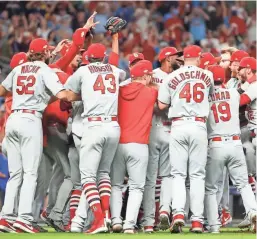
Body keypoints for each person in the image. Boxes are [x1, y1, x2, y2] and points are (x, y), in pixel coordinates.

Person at [0, 37, 72, 233]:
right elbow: (63, 95)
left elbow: (2, 90)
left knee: (16, 174)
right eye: (48, 51)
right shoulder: (44, 70)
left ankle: (6, 218)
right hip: (30, 121)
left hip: (13, 120)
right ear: (44, 53)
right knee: (31, 173)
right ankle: (24, 218)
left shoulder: (17, 69)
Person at [65, 42, 126, 234]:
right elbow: (116, 68)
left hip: (93, 124)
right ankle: (106, 216)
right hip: (113, 126)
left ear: (88, 57)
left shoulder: (82, 72)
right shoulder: (116, 71)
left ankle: (99, 219)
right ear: (103, 57)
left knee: (88, 177)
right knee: (104, 174)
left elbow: (68, 94)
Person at [158, 45, 214, 233]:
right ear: (198, 58)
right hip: (198, 125)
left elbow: (161, 104)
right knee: (197, 175)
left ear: (184, 59)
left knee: (178, 174)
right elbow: (210, 99)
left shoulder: (171, 77)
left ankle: (178, 214)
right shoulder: (208, 76)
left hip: (179, 125)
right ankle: (197, 221)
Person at [205, 65, 257, 233]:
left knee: (211, 188)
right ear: (224, 79)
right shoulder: (234, 93)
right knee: (244, 184)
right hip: (235, 143)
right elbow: (244, 97)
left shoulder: (206, 97)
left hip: (216, 144)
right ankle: (253, 212)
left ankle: (213, 225)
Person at [110, 60, 158, 234]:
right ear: (145, 75)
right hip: (139, 145)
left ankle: (115, 220)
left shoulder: (118, 90)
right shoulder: (151, 92)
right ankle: (129, 224)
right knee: (137, 187)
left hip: (117, 143)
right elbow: (162, 100)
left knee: (115, 185)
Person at [142, 47, 181, 233]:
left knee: (166, 176)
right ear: (166, 58)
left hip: (171, 129)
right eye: (175, 56)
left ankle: (162, 212)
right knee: (153, 177)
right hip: (154, 127)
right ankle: (151, 218)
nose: (178, 58)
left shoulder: (177, 75)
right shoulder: (152, 74)